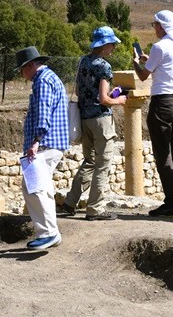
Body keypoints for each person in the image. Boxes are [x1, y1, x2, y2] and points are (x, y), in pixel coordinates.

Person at [60, 26, 127, 221]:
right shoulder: (104, 66)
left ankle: (70, 202)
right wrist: (119, 100)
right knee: (102, 164)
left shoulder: (83, 62)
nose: (113, 47)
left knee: (88, 161)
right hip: (101, 119)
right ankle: (95, 209)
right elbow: (104, 99)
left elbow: (81, 93)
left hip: (84, 118)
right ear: (104, 45)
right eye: (112, 44)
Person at [133, 10, 173, 218]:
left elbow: (142, 76)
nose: (154, 28)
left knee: (162, 154)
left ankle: (171, 203)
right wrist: (150, 60)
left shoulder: (159, 46)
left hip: (163, 104)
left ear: (162, 26)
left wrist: (135, 62)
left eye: (155, 24)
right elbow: (168, 67)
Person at [16, 46, 69, 249]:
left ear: (30, 65)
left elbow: (43, 111)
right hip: (50, 142)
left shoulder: (43, 80)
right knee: (37, 186)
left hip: (46, 143)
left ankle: (49, 232)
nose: (22, 75)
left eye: (22, 70)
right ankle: (49, 231)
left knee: (35, 187)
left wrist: (36, 141)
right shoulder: (49, 77)